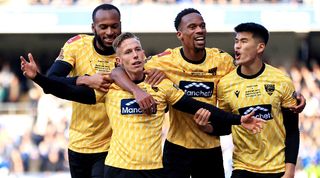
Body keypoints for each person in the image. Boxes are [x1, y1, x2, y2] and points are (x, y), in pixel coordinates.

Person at [21, 32, 265, 178]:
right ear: (119, 60)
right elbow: (66, 90)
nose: (135, 55)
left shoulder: (162, 86)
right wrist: (39, 78)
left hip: (155, 170)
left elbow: (195, 106)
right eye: (128, 52)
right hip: (117, 169)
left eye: (138, 49)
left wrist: (237, 119)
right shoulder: (110, 88)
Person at [110, 8, 306, 178]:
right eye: (193, 27)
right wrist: (136, 90)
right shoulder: (163, 61)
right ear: (180, 34)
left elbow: (252, 76)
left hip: (210, 147)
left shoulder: (223, 61)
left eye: (202, 25)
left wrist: (292, 95)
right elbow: (118, 70)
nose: (200, 30)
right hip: (177, 148)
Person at [195, 22, 300, 178]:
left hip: (277, 170)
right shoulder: (225, 84)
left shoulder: (282, 80)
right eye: (236, 41)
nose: (237, 46)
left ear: (260, 47)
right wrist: (206, 128)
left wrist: (290, 171)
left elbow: (292, 130)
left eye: (244, 41)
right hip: (242, 169)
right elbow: (226, 125)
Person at [30, 4, 121, 178]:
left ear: (120, 25)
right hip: (78, 143)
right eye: (103, 27)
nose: (109, 32)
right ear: (93, 27)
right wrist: (85, 79)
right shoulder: (77, 45)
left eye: (114, 26)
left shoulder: (125, 52)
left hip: (111, 146)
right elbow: (53, 80)